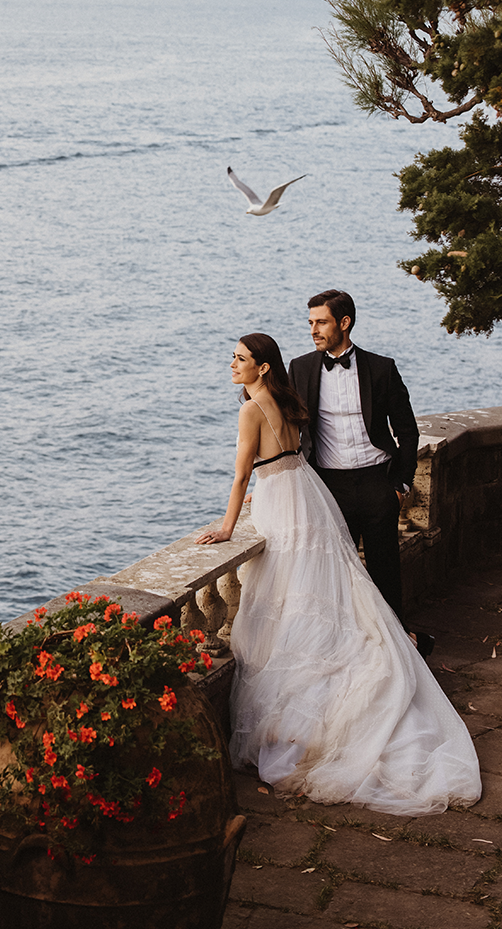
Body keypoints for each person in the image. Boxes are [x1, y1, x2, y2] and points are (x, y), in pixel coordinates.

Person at [193, 334, 480, 814]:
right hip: (304, 491)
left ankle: (315, 710)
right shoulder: (281, 400)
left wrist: (227, 526)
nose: (231, 365)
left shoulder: (250, 409)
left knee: (289, 594)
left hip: (280, 499)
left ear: (262, 368)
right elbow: (287, 455)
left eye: (240, 359)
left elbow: (243, 473)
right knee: (317, 585)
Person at [288, 290, 417, 633]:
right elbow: (286, 432)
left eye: (322, 322)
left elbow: (407, 430)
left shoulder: (381, 369)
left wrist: (401, 485)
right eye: (311, 323)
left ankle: (399, 648)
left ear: (344, 323)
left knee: (385, 572)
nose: (314, 330)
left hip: (377, 483)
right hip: (330, 487)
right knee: (334, 574)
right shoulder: (300, 369)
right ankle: (346, 645)